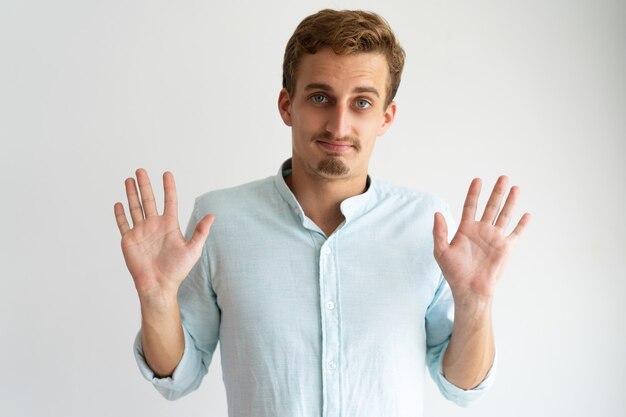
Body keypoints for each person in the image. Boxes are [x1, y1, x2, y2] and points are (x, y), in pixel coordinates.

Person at [114, 9, 530, 417]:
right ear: (286, 105)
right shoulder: (218, 220)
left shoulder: (428, 225)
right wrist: (156, 298)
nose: (338, 124)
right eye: (319, 97)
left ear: (386, 117)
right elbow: (177, 376)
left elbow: (460, 385)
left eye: (362, 102)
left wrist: (476, 303)